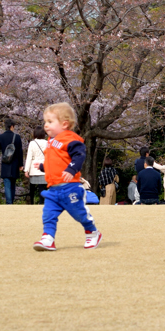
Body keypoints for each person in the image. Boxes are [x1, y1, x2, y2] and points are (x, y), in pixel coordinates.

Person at [33, 102, 102, 251]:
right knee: (48, 214)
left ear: (64, 124)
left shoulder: (71, 139)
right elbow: (56, 162)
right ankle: (48, 238)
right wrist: (43, 167)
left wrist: (71, 170)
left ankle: (92, 232)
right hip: (53, 190)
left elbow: (79, 156)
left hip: (70, 187)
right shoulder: (51, 142)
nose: (46, 125)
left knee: (79, 214)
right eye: (45, 122)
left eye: (50, 122)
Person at [0, 118, 24, 205]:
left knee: (7, 183)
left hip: (5, 163)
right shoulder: (17, 137)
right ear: (11, 126)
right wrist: (21, 164)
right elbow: (20, 152)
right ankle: (11, 202)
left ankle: (9, 202)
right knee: (13, 183)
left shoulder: (0, 137)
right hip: (15, 163)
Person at [23, 126, 48, 205]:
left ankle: (32, 203)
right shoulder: (47, 143)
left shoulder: (32, 143)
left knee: (32, 187)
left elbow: (29, 157)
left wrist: (26, 170)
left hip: (34, 167)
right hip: (43, 167)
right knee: (42, 187)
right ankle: (41, 202)